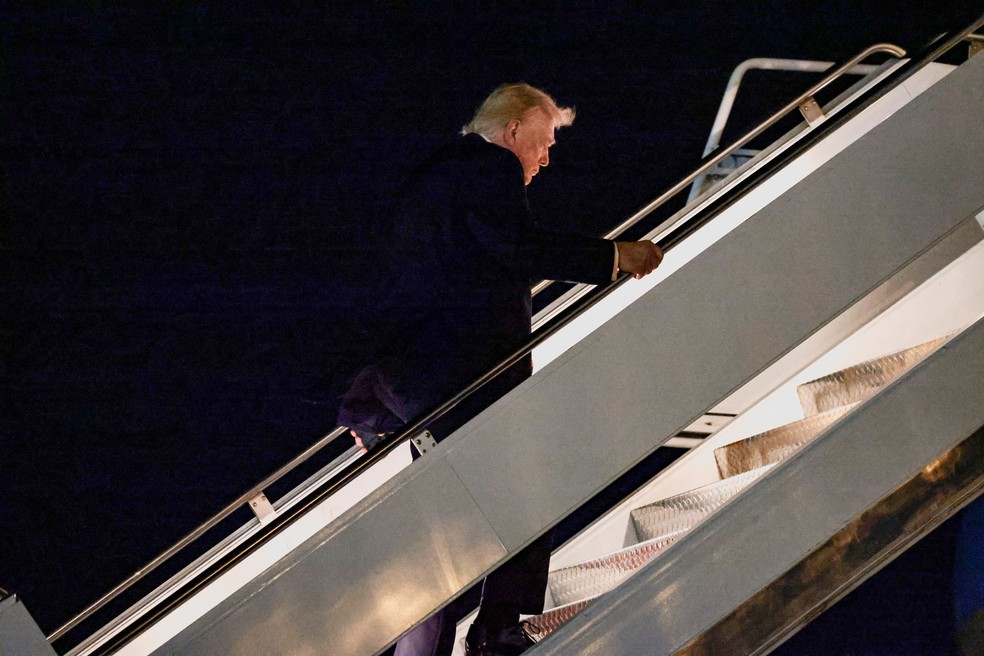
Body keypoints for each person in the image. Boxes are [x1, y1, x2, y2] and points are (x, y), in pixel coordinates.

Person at [337, 83, 663, 656]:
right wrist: (614, 257)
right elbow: (517, 245)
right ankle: (499, 629)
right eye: (546, 140)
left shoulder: (434, 178)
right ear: (514, 129)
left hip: (419, 380)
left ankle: (443, 641)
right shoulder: (487, 168)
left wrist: (366, 405)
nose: (547, 156)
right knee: (531, 486)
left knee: (446, 521)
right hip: (458, 378)